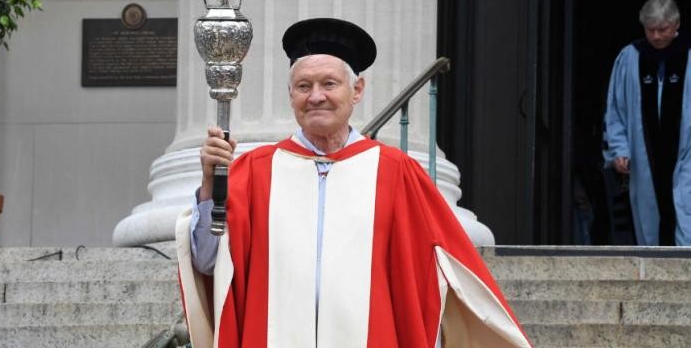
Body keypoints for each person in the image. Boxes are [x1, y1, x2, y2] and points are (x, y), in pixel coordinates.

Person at [176, 18, 532, 347]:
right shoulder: (254, 172)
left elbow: (450, 271)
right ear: (291, 96)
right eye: (303, 86)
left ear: (357, 90)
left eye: (329, 84)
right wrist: (210, 187)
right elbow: (208, 263)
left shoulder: (396, 173)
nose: (316, 96)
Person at [603, 0, 691, 246]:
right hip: (645, 158)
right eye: (650, 30)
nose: (657, 37)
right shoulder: (631, 57)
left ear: (676, 25)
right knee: (649, 217)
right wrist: (619, 149)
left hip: (687, 154)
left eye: (662, 30)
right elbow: (616, 108)